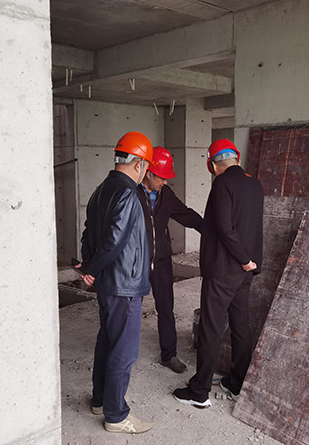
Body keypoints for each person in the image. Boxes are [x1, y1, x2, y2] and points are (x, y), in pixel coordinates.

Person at [173, 138, 264, 408]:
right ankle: (236, 384)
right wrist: (249, 262)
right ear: (237, 157)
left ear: (212, 165)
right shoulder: (255, 183)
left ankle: (199, 392)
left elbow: (224, 228)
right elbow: (251, 227)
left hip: (224, 270)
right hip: (246, 272)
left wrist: (242, 258)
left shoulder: (222, 184)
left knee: (210, 329)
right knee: (240, 326)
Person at [78, 131, 154, 434]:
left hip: (109, 285)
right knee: (124, 350)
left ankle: (100, 400)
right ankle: (117, 415)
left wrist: (89, 267)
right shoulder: (127, 193)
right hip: (124, 285)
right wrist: (92, 269)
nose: (145, 173)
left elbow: (88, 234)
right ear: (139, 164)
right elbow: (114, 240)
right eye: (146, 167)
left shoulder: (101, 190)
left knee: (107, 342)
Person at [136, 147, 203, 374]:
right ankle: (123, 355)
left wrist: (212, 230)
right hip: (136, 262)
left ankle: (169, 355)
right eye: (161, 177)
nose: (165, 182)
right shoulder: (131, 194)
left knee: (166, 309)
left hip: (162, 261)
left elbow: (186, 215)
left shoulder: (166, 194)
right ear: (148, 173)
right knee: (129, 310)